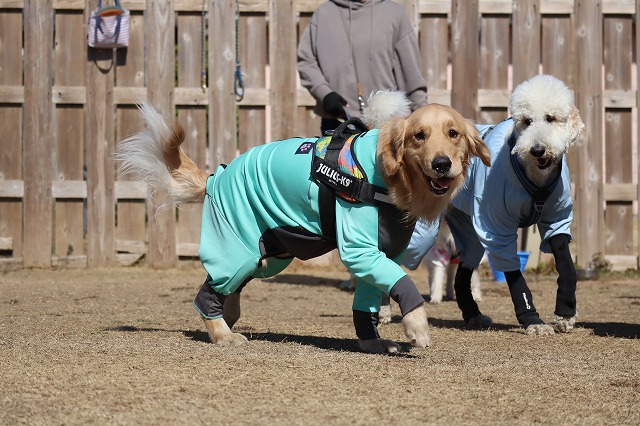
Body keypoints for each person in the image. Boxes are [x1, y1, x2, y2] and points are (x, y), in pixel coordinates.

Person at [297, 0, 428, 135]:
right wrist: (325, 94)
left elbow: (411, 75)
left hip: (386, 126)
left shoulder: (394, 13)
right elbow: (306, 61)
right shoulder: (323, 14)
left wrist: (424, 118)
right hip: (337, 123)